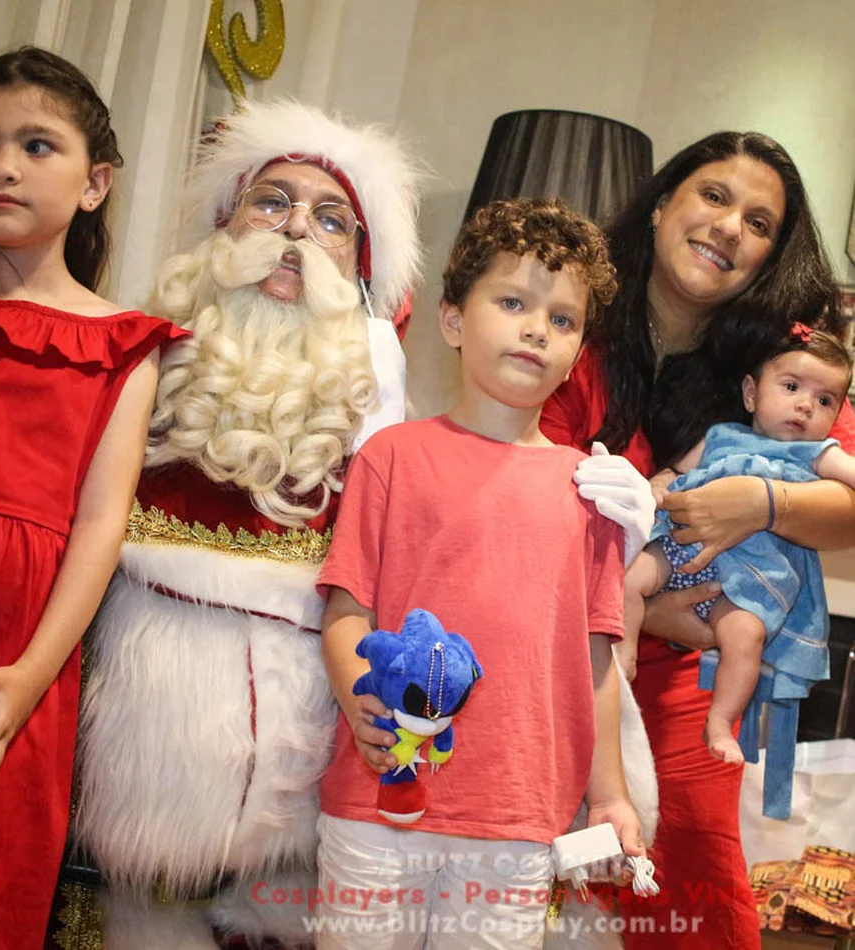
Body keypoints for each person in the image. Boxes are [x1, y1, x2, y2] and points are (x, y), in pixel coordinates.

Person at [68, 99, 423, 948]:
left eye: (330, 219)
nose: (295, 229)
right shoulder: (145, 348)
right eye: (272, 202)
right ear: (225, 224)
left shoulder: (377, 390)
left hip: (302, 736)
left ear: (360, 269)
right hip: (138, 709)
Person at [541, 131, 855, 949]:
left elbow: (847, 505)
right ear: (660, 207)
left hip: (687, 677)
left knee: (695, 900)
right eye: (714, 197)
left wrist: (757, 502)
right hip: (552, 646)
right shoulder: (571, 322)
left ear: (769, 255)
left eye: (759, 222)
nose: (729, 228)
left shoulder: (781, 357)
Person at [0, 47, 187, 950]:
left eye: (36, 144)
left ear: (96, 182)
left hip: (19, 652)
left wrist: (29, 680)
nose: (3, 165)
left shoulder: (126, 345)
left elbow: (102, 524)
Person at [316, 197, 644, 949]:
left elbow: (595, 661)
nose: (538, 328)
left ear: (577, 352)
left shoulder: (588, 487)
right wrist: (355, 696)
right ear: (454, 321)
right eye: (513, 302)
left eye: (563, 320)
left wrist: (613, 797)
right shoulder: (391, 457)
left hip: (517, 816)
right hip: (380, 801)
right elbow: (346, 609)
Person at [623, 326, 854, 780]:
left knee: (744, 638)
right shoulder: (720, 436)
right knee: (630, 580)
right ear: (751, 393)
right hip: (681, 546)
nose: (807, 405)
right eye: (791, 387)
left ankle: (721, 720)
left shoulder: (817, 453)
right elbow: (673, 474)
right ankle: (624, 652)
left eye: (825, 400)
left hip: (750, 577)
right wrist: (655, 491)